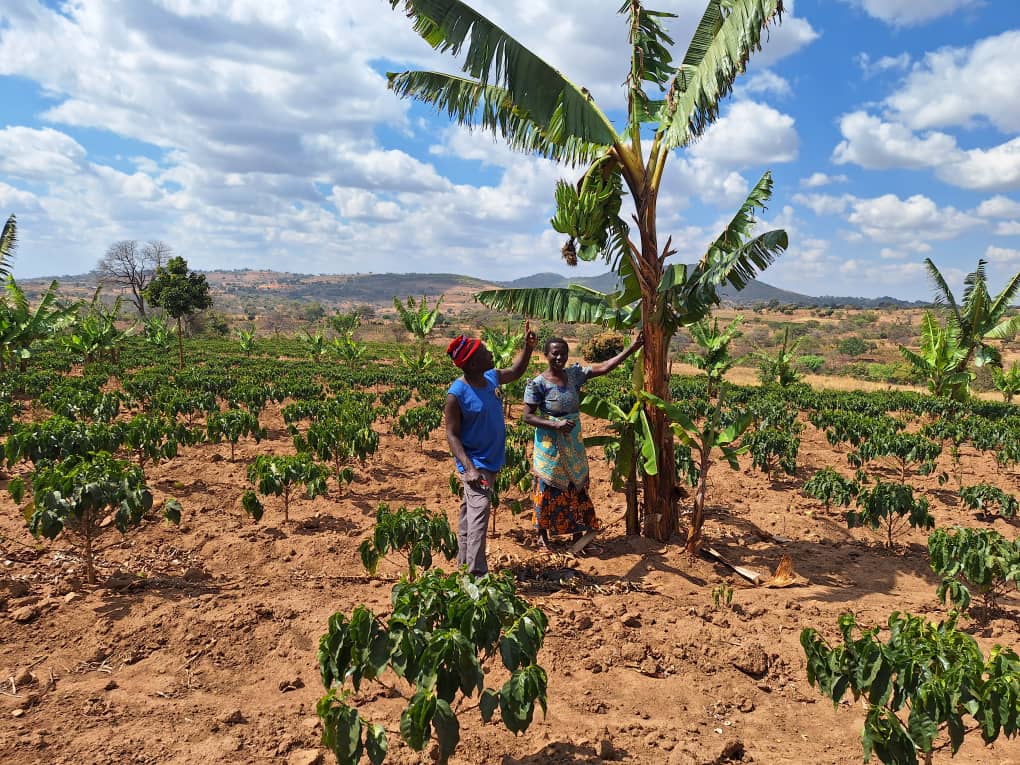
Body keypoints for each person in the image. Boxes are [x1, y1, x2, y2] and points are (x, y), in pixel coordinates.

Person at [522, 332, 644, 553]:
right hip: (550, 446)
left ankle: (577, 536)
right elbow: (528, 416)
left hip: (573, 443)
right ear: (546, 355)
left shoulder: (575, 375)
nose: (559, 358)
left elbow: (605, 367)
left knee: (576, 485)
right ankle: (543, 537)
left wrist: (633, 348)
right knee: (547, 487)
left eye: (563, 354)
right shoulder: (537, 384)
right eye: (555, 354)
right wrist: (555, 425)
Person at [444, 324, 537, 576]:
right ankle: (476, 576)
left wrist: (528, 348)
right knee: (479, 517)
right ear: (472, 363)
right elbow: (452, 435)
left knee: (469, 516)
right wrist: (470, 468)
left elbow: (516, 371)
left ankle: (464, 568)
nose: (490, 353)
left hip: (491, 460)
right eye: (485, 351)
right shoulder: (457, 393)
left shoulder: (491, 378)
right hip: (476, 464)